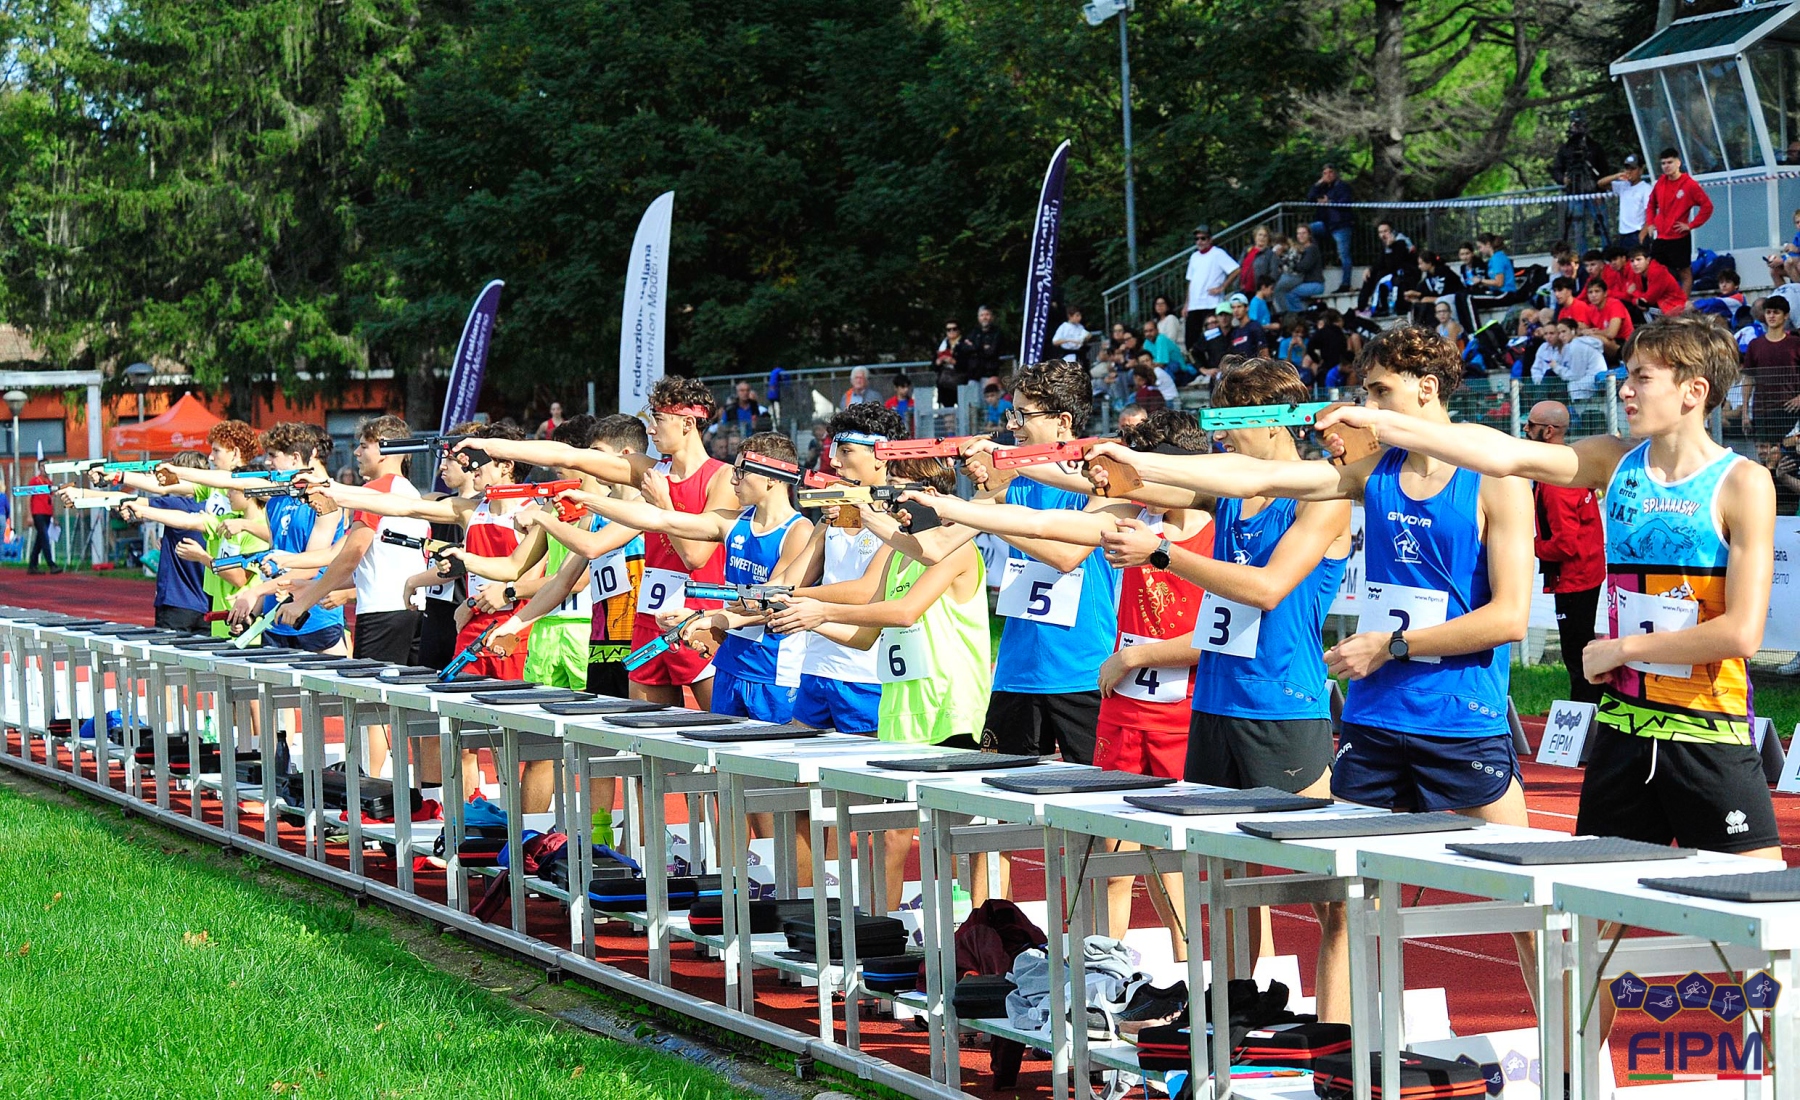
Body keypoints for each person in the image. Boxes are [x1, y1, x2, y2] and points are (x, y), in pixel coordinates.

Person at [1314, 316, 1781, 924]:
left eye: (1642, 377)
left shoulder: (1744, 482)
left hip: (1709, 731)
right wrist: (1378, 420)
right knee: (1589, 925)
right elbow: (1504, 454)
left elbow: (1742, 633)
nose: (1625, 389)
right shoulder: (1612, 459)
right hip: (1623, 730)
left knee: (1767, 918)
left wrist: (1620, 650)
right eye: (1626, 376)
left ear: (1694, 391)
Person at [1094, 358, 1353, 1019]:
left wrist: (1162, 553)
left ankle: (1338, 1033)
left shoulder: (1324, 497)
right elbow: (1144, 484)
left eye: (1230, 424)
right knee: (1225, 879)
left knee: (1329, 892)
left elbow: (1266, 590)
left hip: (1282, 706)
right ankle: (1237, 1011)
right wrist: (1035, 465)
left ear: (1272, 422)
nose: (1221, 437)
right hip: (1213, 704)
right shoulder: (1230, 492)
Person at [907, 408, 1212, 960]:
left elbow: (1065, 549)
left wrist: (997, 496)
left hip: (1097, 676)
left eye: (1023, 415)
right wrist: (919, 509)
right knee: (1057, 832)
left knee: (1163, 846)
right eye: (1010, 417)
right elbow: (936, 545)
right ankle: (1003, 946)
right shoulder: (1032, 490)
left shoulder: (1103, 492)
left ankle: (1189, 969)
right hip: (1044, 678)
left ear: (1063, 422)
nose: (1013, 426)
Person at [765, 451, 984, 912]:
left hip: (951, 707)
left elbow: (904, 613)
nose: (891, 505)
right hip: (902, 711)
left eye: (897, 495)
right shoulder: (900, 555)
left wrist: (822, 608)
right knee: (885, 833)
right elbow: (866, 636)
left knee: (958, 833)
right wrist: (806, 619)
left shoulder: (955, 548)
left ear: (931, 497)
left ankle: (970, 923)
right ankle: (880, 928)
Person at [466, 378, 736, 708]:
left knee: (719, 734)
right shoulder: (651, 473)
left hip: (698, 619)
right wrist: (495, 447)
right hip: (648, 622)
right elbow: (570, 456)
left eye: (659, 420)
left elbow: (695, 556)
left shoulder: (720, 477)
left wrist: (663, 503)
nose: (651, 429)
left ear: (687, 423)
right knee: (647, 735)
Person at [579, 432, 812, 723]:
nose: (733, 480)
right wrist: (587, 500)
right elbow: (661, 520)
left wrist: (704, 618)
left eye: (742, 471)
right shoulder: (731, 521)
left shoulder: (798, 530)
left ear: (771, 479)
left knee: (773, 752)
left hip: (771, 672)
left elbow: (768, 604)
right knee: (723, 750)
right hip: (730, 666)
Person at [778, 402, 906, 737]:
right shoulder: (832, 516)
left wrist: (795, 599)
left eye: (846, 451)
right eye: (834, 450)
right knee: (801, 765)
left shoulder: (901, 519)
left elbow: (866, 591)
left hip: (866, 674)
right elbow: (788, 580)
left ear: (881, 456)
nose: (834, 461)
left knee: (865, 770)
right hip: (817, 666)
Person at [281, 414, 427, 670]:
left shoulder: (375, 491)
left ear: (384, 449)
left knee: (371, 694)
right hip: (413, 611)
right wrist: (313, 585)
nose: (357, 453)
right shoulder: (410, 491)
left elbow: (351, 556)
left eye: (364, 446)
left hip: (382, 613)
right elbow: (380, 565)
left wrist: (304, 603)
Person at [1521, 402, 1605, 705]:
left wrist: (1526, 544)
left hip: (1575, 577)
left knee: (1576, 655)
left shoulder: (1556, 482)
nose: (1525, 430)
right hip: (1586, 571)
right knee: (1581, 650)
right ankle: (1588, 712)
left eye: (1530, 425)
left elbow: (1564, 545)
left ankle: (1584, 717)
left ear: (1547, 431)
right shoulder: (1571, 464)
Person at [119, 452, 212, 633]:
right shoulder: (214, 507)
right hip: (209, 603)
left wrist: (83, 495)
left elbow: (132, 501)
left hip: (176, 602)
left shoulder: (175, 504)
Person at [1646, 146, 1713, 296]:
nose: (1666, 166)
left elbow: (1707, 206)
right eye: (1663, 163)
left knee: (1684, 272)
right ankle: (1661, 300)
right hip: (1662, 236)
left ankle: (1683, 304)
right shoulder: (1661, 182)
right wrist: (1650, 223)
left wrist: (1691, 225)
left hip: (1679, 237)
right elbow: (1651, 204)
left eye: (1669, 162)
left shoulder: (1689, 184)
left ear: (1678, 163)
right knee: (1652, 271)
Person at [1739, 295, 1800, 443]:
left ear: (1786, 316)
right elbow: (1748, 379)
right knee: (1765, 452)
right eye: (1768, 312)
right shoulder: (1755, 345)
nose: (1771, 316)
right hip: (1762, 410)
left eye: (1776, 312)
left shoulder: (1796, 343)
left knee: (1788, 452)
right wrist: (1745, 412)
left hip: (1791, 409)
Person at [1551, 111, 1608, 253]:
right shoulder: (1565, 149)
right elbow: (1556, 169)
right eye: (1575, 125)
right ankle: (1582, 257)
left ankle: (1608, 254)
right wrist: (1563, 179)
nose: (1577, 128)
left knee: (1603, 225)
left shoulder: (1594, 147)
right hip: (1574, 193)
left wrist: (1601, 192)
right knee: (1578, 229)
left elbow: (1604, 170)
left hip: (1594, 192)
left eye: (1580, 125)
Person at [1183, 226, 1239, 363]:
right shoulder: (1194, 256)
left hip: (1211, 303)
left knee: (1214, 338)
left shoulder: (1218, 254)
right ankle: (1199, 368)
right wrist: (1186, 304)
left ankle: (1216, 364)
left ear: (1210, 239)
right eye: (1197, 239)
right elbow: (1190, 282)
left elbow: (1236, 269)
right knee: (1191, 339)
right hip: (1194, 305)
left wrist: (1222, 287)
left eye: (1203, 238)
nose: (1199, 242)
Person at [1530, 318, 1609, 401]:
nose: (1561, 336)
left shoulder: (1577, 345)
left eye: (1564, 331)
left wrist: (1556, 367)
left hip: (1591, 385)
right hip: (1591, 382)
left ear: (1573, 330)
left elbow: (1575, 375)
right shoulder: (1575, 344)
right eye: (1559, 333)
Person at [1306, 164, 1355, 291]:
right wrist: (1318, 184)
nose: (1328, 175)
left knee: (1344, 255)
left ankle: (1345, 284)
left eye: (1330, 172)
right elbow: (1310, 198)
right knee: (1307, 231)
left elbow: (1345, 202)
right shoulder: (1323, 188)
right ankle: (1316, 258)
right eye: (1325, 173)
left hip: (1341, 224)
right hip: (1326, 224)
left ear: (1335, 173)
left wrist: (1329, 202)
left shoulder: (1342, 186)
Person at [1563, 276, 1633, 359]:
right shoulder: (1591, 309)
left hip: (1626, 343)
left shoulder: (1615, 305)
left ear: (1605, 293)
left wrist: (1594, 332)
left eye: (1597, 291)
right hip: (1607, 343)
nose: (1593, 295)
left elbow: (1611, 333)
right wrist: (1582, 331)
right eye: (1590, 292)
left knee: (1595, 338)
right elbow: (1582, 328)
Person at [1356, 221, 1416, 317]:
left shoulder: (1401, 242)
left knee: (1380, 276)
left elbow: (1394, 264)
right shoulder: (1385, 244)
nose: (1383, 235)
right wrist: (1369, 269)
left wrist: (1390, 247)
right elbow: (1380, 262)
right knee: (1370, 276)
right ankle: (1361, 307)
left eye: (1385, 231)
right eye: (1380, 232)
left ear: (1392, 232)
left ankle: (1380, 307)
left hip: (1403, 273)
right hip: (1390, 271)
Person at [1405, 251, 1474, 332]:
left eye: (1421, 263)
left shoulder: (1444, 271)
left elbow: (1441, 292)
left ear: (1429, 263)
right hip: (1441, 298)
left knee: (1430, 301)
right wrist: (1415, 296)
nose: (1419, 266)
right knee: (1419, 304)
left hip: (1454, 297)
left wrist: (1423, 296)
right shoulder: (1429, 276)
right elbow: (1424, 291)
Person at [1598, 154, 1652, 251]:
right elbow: (1601, 183)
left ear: (1640, 170)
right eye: (1627, 168)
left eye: (1633, 169)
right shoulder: (1623, 186)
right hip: (1623, 233)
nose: (1629, 171)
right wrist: (1617, 176)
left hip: (1637, 231)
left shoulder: (1646, 189)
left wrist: (1643, 234)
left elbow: (1650, 213)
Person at [1275, 224, 1325, 312]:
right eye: (1298, 233)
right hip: (1307, 284)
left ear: (1309, 235)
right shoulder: (1300, 249)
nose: (1301, 235)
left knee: (1290, 294)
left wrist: (1291, 264)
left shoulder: (1312, 248)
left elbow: (1304, 267)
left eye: (1303, 233)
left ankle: (1300, 314)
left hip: (1315, 284)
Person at [1625, 248, 1687, 318]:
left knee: (1633, 310)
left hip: (1671, 306)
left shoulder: (1657, 272)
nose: (1635, 264)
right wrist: (1635, 300)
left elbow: (1647, 300)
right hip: (1657, 304)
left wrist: (1634, 293)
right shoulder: (1637, 273)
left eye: (1638, 259)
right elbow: (1633, 297)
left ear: (1648, 260)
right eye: (1632, 261)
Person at [24, 460, 57, 574]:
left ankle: (32, 565)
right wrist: (29, 515)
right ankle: (51, 564)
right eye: (43, 466)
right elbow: (28, 497)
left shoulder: (49, 482)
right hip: (38, 513)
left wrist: (54, 516)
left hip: (47, 513)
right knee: (44, 538)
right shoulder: (35, 481)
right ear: (39, 468)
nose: (45, 468)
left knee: (40, 540)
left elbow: (51, 500)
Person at [934, 320, 973, 407]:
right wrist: (938, 362)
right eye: (948, 329)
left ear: (959, 330)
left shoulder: (966, 343)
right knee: (947, 410)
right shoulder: (942, 345)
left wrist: (954, 362)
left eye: (954, 329)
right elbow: (934, 365)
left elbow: (969, 363)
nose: (951, 331)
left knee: (964, 408)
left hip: (962, 382)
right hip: (945, 383)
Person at [970, 306, 1007, 385]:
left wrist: (975, 348)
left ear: (992, 317)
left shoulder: (997, 333)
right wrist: (982, 348)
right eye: (982, 315)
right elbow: (965, 349)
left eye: (987, 314)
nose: (984, 317)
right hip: (973, 375)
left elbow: (991, 352)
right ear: (978, 318)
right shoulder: (974, 332)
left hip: (990, 374)